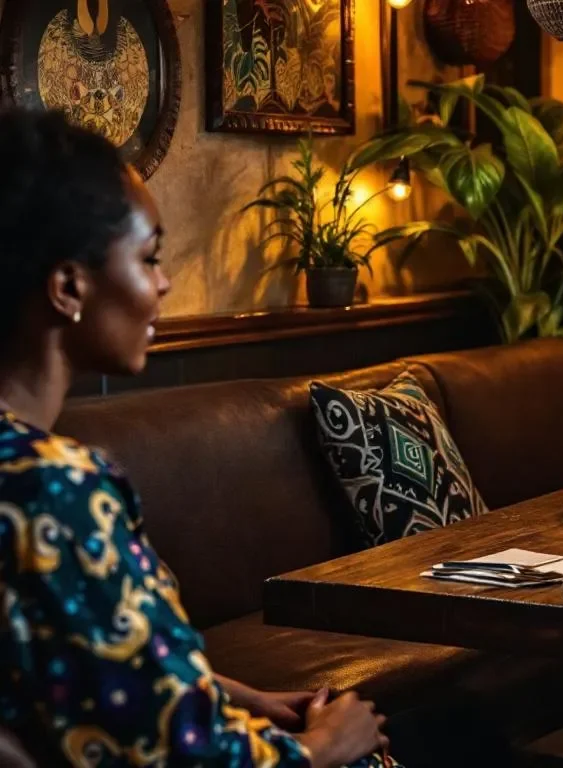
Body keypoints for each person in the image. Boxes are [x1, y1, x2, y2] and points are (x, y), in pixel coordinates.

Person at [0, 110, 397, 767]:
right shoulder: (53, 486)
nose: (163, 282)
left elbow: (69, 669)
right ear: (69, 286)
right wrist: (326, 747)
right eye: (148, 257)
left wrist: (225, 692)